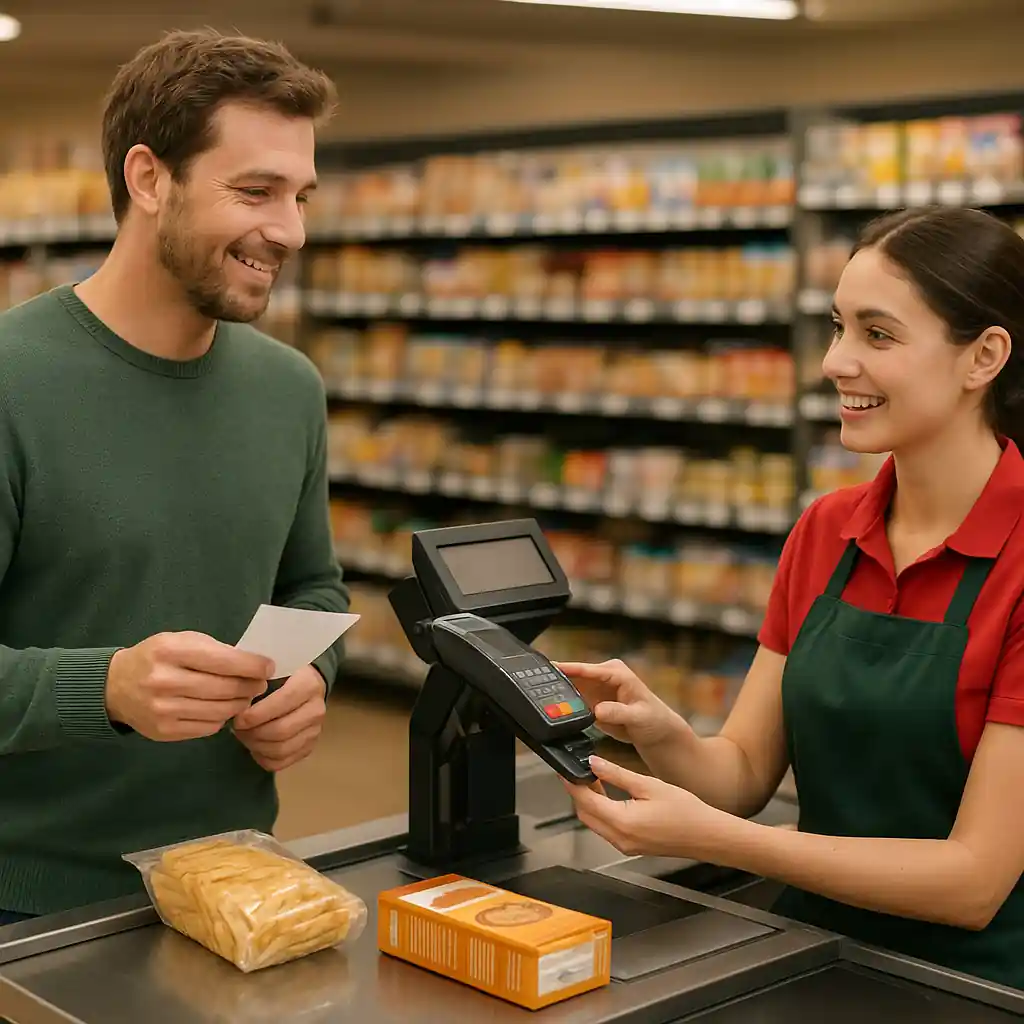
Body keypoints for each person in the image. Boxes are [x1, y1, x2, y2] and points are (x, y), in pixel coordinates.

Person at [561, 205, 1024, 991]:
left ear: (983, 356)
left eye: (877, 335)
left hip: (975, 988)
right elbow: (742, 773)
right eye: (838, 327)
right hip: (811, 959)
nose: (836, 362)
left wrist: (721, 841)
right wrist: (663, 732)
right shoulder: (827, 530)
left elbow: (972, 881)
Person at [0, 29, 348, 922]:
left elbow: (312, 586)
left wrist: (314, 677)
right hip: (28, 907)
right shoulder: (12, 383)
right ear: (149, 179)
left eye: (301, 196)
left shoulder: (289, 389)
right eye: (255, 191)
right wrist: (108, 686)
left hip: (234, 882)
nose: (290, 230)